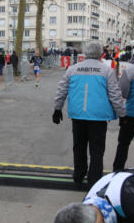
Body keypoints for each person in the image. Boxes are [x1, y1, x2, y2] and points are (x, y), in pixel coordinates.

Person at [53, 41, 126, 187]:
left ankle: (78, 175)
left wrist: (57, 108)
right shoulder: (107, 71)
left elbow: (62, 89)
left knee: (79, 147)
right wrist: (122, 114)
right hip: (98, 117)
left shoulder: (72, 69)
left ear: (85, 52)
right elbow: (115, 95)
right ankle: (94, 180)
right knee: (97, 150)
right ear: (100, 53)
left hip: (78, 115)